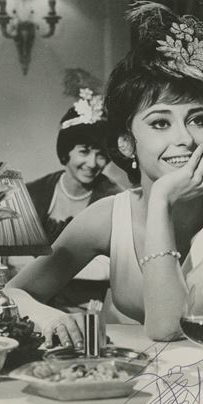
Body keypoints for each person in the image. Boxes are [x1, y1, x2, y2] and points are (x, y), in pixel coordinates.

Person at [6, 1, 203, 348]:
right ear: (126, 143)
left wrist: (160, 199)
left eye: (197, 120)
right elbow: (14, 293)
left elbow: (168, 326)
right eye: (160, 123)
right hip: (144, 378)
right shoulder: (107, 216)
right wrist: (51, 318)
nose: (185, 138)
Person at [23, 86, 123, 311]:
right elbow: (12, 259)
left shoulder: (115, 198)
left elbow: (113, 268)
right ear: (66, 152)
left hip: (89, 309)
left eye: (101, 155)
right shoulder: (33, 193)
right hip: (34, 305)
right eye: (84, 151)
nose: (92, 163)